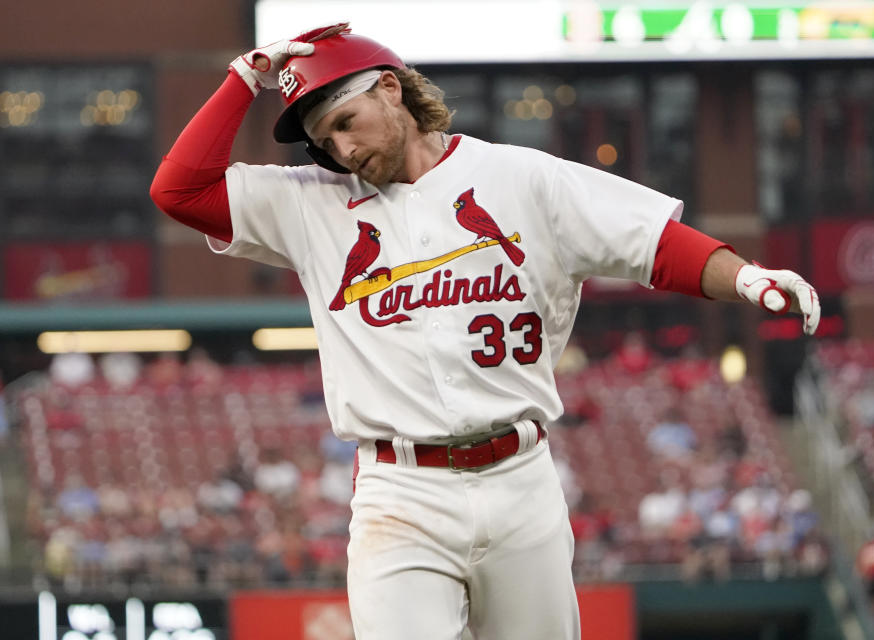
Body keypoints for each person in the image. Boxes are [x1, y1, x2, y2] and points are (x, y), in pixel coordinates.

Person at [150, 23, 821, 640]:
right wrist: (245, 78)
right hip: (399, 491)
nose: (342, 149)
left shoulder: (517, 177)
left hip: (519, 478)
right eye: (325, 140)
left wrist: (747, 278)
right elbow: (178, 191)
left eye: (347, 124)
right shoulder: (309, 200)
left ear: (391, 90)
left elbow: (650, 244)